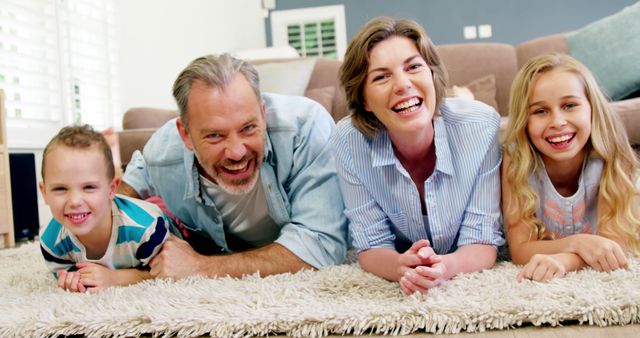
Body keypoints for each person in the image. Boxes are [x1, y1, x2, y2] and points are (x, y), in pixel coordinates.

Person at [118, 53, 348, 279]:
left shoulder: (307, 127)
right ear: (185, 135)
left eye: (248, 128)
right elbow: (135, 177)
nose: (237, 152)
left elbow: (322, 244)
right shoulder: (162, 154)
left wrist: (201, 267)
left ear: (263, 114)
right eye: (216, 135)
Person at [330, 16, 504, 295]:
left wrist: (445, 267)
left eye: (413, 67)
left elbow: (482, 239)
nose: (402, 84)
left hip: (461, 119)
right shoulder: (348, 141)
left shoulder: (482, 128)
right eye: (381, 76)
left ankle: (463, 96)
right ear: (364, 100)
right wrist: (400, 265)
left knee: (466, 110)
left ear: (432, 74)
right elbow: (371, 244)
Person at [502, 53, 640, 282]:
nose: (557, 122)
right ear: (524, 121)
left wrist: (565, 261)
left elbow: (613, 247)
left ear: (592, 108)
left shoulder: (613, 155)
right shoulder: (515, 160)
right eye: (540, 111)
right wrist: (579, 243)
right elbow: (520, 249)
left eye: (569, 105)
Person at [39, 125, 169, 293]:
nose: (75, 201)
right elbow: (68, 273)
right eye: (60, 189)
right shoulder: (52, 244)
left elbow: (166, 271)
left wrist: (114, 278)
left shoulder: (148, 230)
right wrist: (75, 280)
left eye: (88, 187)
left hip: (165, 217)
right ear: (44, 192)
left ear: (111, 188)